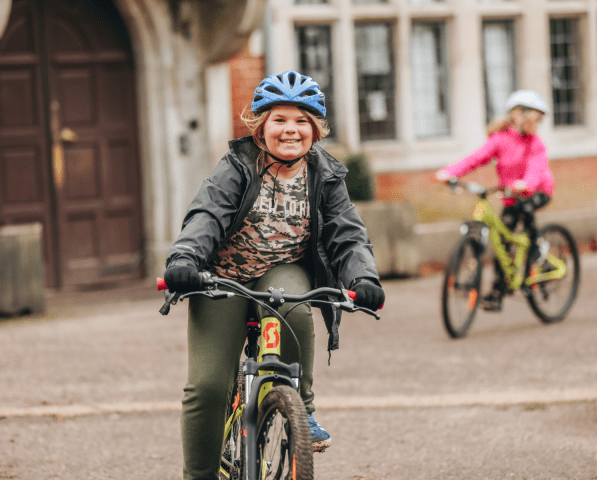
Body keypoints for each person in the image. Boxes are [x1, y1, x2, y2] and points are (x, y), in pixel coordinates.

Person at [163, 70, 385, 480]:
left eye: (302, 121)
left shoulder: (326, 175)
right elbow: (206, 216)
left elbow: (348, 234)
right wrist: (185, 259)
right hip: (221, 277)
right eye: (279, 119)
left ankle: (302, 408)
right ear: (260, 126)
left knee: (294, 310)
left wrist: (363, 278)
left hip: (282, 269)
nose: (291, 130)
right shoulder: (236, 166)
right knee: (208, 387)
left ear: (315, 130)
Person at [435, 90, 554, 312]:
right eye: (535, 119)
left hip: (537, 191)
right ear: (518, 116)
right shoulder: (500, 140)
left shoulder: (536, 144)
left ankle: (536, 247)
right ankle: (498, 291)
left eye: (540, 120)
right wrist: (450, 172)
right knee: (501, 240)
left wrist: (525, 184)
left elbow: (536, 170)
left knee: (525, 206)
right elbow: (476, 158)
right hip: (510, 195)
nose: (538, 124)